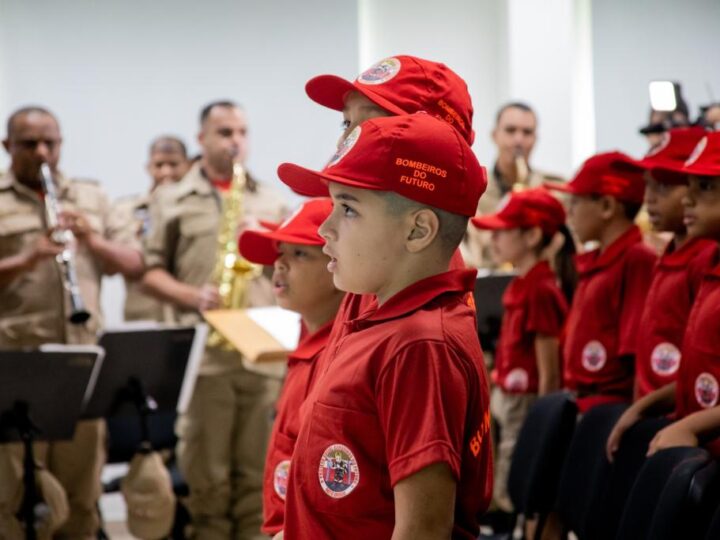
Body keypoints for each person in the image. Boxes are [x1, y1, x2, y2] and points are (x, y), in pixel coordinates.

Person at [275, 113, 492, 539]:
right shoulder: (379, 320)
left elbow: (422, 530)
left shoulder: (421, 344)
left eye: (348, 209)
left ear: (418, 230)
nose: (325, 228)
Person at [141, 101, 288, 539]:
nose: (235, 140)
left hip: (262, 354)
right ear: (202, 138)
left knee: (258, 482)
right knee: (208, 483)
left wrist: (263, 242)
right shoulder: (170, 199)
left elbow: (296, 274)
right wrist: (191, 295)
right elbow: (148, 272)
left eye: (242, 131)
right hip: (205, 359)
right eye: (224, 132)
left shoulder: (271, 200)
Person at [0, 106, 143, 538]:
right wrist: (26, 259)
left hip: (81, 367)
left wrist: (91, 239)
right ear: (8, 147)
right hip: (16, 366)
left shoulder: (90, 196)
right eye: (29, 144)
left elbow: (134, 262)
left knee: (82, 498)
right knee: (13, 499)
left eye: (50, 143)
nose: (42, 153)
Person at [606, 132, 720, 461]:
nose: (688, 199)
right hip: (692, 446)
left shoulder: (697, 264)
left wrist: (692, 427)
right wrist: (643, 407)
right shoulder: (707, 263)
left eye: (706, 187)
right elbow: (693, 376)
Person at [237, 198, 344, 536]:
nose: (279, 264)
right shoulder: (306, 338)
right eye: (280, 252)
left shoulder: (340, 357)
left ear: (337, 264)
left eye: (299, 254)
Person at [471, 187, 573, 514]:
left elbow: (550, 371)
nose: (494, 240)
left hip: (526, 404)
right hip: (507, 398)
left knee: (518, 488)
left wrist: (545, 424)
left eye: (503, 232)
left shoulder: (541, 289)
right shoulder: (522, 283)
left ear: (531, 235)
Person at [545, 152, 657, 413]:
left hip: (608, 411)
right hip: (582, 403)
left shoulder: (636, 260)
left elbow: (636, 356)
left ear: (607, 206)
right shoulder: (595, 261)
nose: (568, 212)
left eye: (575, 201)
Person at [622, 128, 717, 400]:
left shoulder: (702, 260)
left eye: (664, 185)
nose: (648, 198)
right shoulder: (670, 253)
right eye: (647, 184)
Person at [463, 102, 564, 269]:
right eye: (510, 130)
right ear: (494, 135)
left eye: (527, 132)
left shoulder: (554, 191)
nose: (519, 140)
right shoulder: (471, 190)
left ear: (535, 139)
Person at [107, 135, 189, 322]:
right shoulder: (126, 210)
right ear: (148, 167)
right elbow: (113, 265)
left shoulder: (197, 211)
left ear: (187, 166)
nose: (166, 172)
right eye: (159, 165)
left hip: (187, 314)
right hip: (144, 315)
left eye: (174, 164)